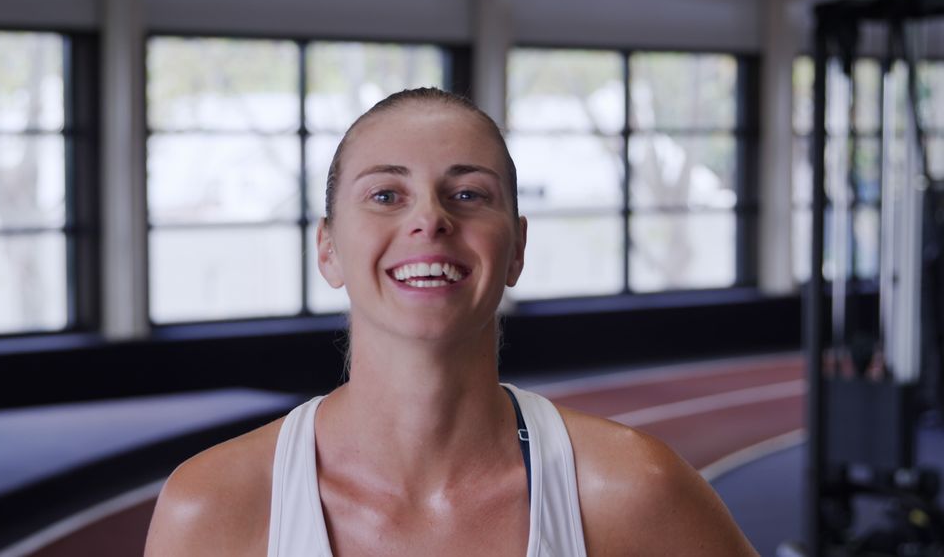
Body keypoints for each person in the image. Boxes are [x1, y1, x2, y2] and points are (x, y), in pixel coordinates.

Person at [145, 88, 758, 556]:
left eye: (468, 194)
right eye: (386, 195)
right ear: (327, 248)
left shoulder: (633, 490)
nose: (430, 220)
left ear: (516, 248)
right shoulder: (211, 508)